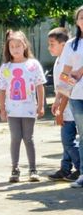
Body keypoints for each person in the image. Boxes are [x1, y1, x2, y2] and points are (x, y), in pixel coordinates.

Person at [0, 30, 46, 183]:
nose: (15, 49)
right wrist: (3, 109)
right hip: (13, 110)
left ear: (25, 45)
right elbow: (2, 89)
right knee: (15, 138)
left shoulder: (33, 65)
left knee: (28, 138)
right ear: (8, 48)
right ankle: (15, 168)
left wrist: (41, 105)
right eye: (12, 46)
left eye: (18, 45)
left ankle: (33, 169)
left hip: (29, 108)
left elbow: (39, 86)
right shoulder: (6, 67)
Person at [47, 27, 80, 182]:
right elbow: (60, 86)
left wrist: (61, 109)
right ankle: (65, 168)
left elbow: (69, 85)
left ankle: (80, 169)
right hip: (64, 106)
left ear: (64, 44)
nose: (49, 47)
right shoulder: (58, 61)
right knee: (66, 140)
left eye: (52, 44)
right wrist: (57, 101)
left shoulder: (69, 62)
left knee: (68, 140)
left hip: (70, 109)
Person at [56, 5, 83, 188]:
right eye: (81, 17)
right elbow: (66, 74)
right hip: (77, 96)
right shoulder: (71, 44)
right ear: (77, 22)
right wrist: (61, 101)